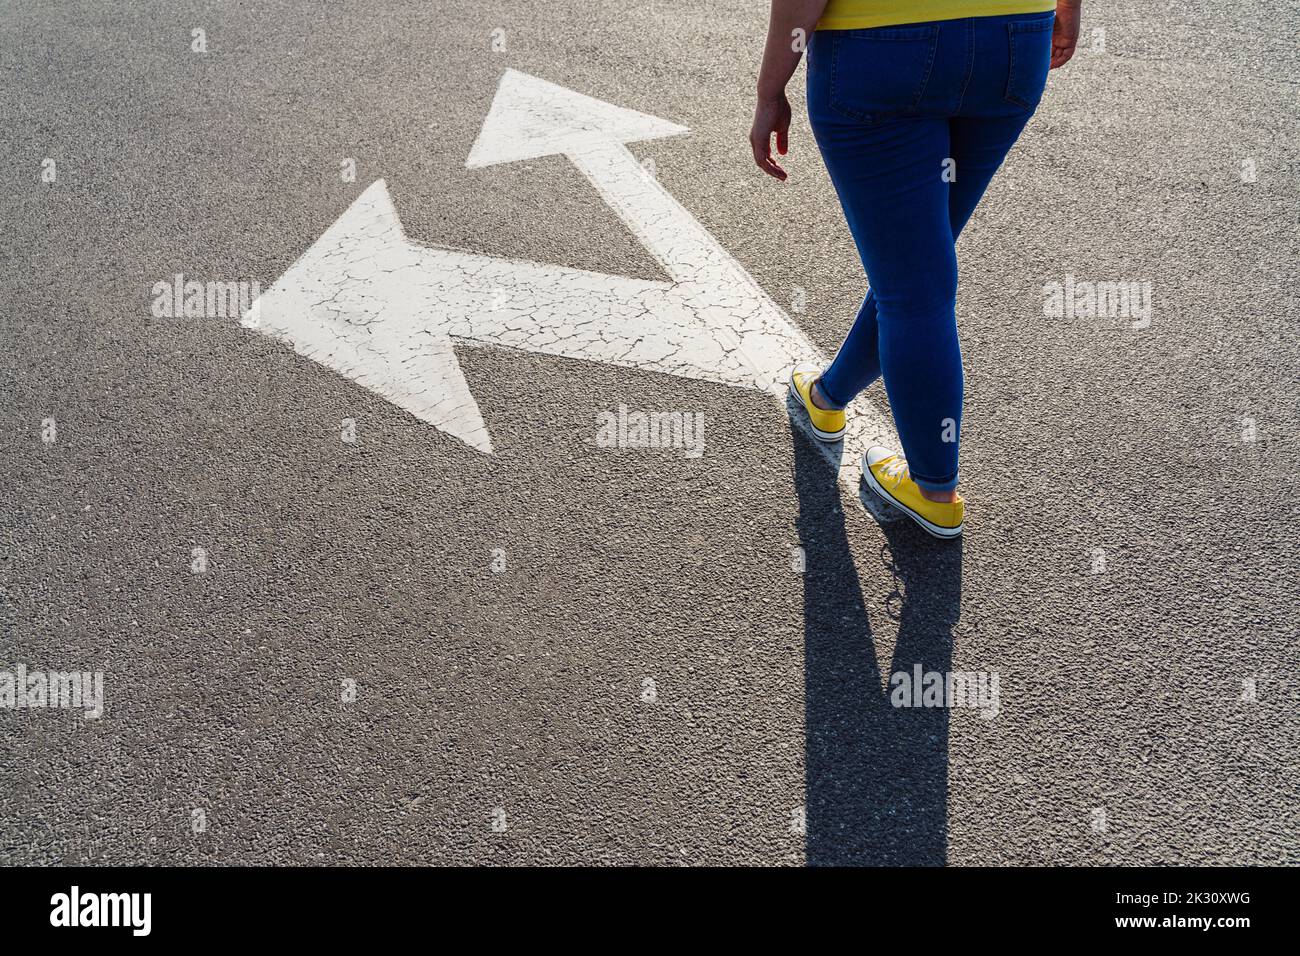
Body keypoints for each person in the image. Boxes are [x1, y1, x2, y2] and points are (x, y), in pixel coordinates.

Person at [751, 0, 1081, 538]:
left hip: (881, 45)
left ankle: (934, 490)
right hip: (1014, 38)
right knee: (914, 271)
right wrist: (1068, 9)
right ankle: (829, 396)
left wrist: (770, 90)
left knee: (913, 287)